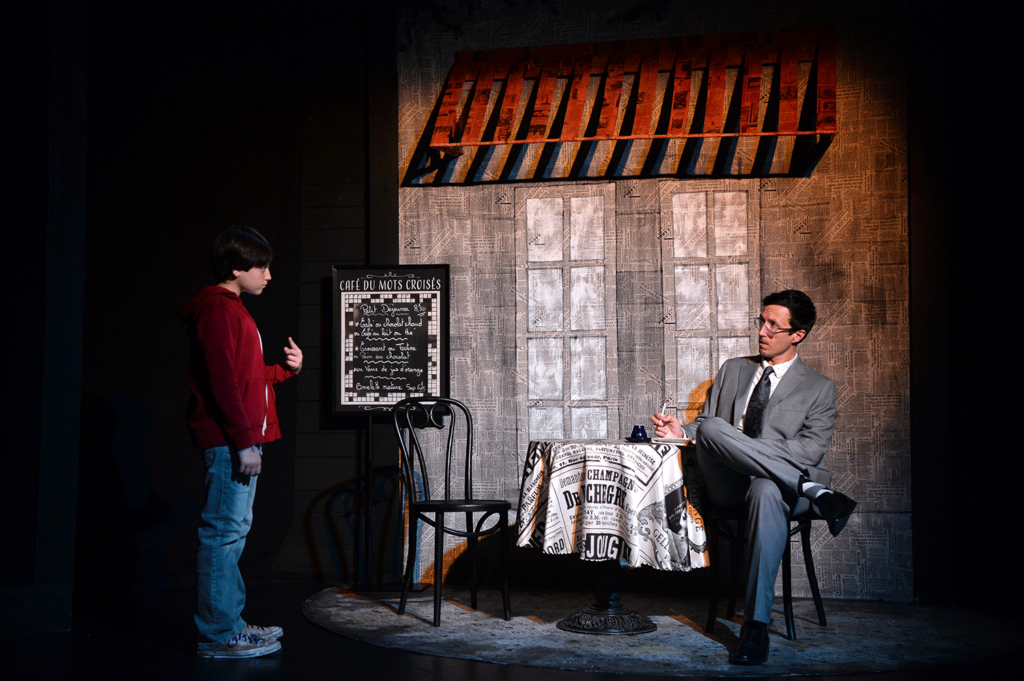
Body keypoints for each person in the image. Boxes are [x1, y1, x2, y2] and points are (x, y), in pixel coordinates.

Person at [651, 289, 856, 666]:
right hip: (729, 483)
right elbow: (706, 430)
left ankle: (755, 627)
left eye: (773, 326)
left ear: (798, 335)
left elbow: (810, 451)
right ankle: (815, 491)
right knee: (712, 426)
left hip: (776, 489)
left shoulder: (819, 387)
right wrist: (681, 430)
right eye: (761, 321)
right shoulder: (734, 369)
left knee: (765, 488)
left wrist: (749, 452)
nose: (761, 331)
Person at [178, 226, 302, 659]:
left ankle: (230, 624)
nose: (268, 275)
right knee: (223, 535)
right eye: (261, 267)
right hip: (232, 441)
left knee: (233, 533)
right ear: (236, 268)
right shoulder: (218, 310)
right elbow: (223, 385)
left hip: (241, 438)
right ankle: (218, 634)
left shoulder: (234, 310)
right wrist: (245, 442)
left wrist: (285, 371)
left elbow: (245, 378)